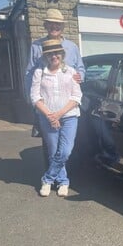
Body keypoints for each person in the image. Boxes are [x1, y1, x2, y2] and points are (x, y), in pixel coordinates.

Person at [24, 8, 85, 169]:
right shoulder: (36, 46)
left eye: (57, 24)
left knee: (66, 144)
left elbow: (81, 68)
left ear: (62, 26)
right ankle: (54, 179)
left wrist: (80, 76)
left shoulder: (71, 47)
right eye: (51, 24)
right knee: (50, 144)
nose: (54, 27)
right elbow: (29, 73)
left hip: (67, 103)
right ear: (45, 25)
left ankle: (55, 177)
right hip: (46, 104)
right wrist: (32, 100)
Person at [30, 39, 82, 197]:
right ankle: (63, 181)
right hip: (47, 118)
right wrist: (50, 115)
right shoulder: (39, 73)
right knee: (53, 152)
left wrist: (58, 114)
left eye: (57, 53)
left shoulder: (71, 72)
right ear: (46, 56)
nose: (54, 56)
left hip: (69, 117)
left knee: (65, 151)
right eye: (50, 53)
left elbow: (77, 96)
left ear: (62, 54)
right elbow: (34, 97)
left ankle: (47, 179)